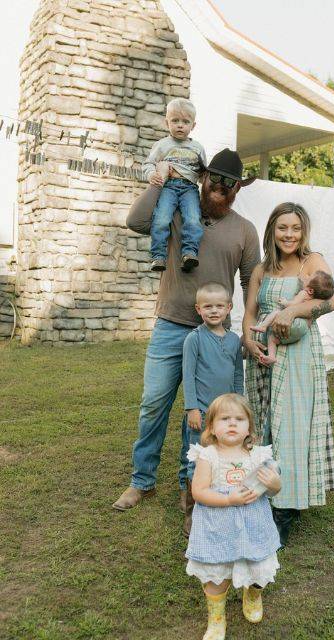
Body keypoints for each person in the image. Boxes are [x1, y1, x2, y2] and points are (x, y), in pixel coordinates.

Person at [112, 149, 259, 512]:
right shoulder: (176, 211)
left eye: (230, 183)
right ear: (203, 177)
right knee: (153, 406)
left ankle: (190, 484)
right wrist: (160, 178)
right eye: (216, 179)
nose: (221, 187)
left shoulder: (244, 229)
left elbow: (251, 282)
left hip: (215, 336)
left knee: (201, 415)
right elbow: (135, 221)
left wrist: (248, 325)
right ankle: (141, 482)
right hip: (171, 327)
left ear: (238, 188)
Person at [243, 202, 334, 547]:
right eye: (283, 228)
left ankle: (286, 509)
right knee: (264, 424)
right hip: (262, 353)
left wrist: (295, 311)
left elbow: (332, 302)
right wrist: (248, 341)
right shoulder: (260, 269)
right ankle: (266, 495)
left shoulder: (311, 261)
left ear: (303, 232)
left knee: (291, 427)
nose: (289, 235)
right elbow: (250, 310)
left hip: (298, 354)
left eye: (295, 229)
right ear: (272, 230)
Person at [186, 393, 281, 640]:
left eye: (239, 419)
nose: (232, 424)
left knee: (260, 568)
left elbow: (272, 490)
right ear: (212, 428)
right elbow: (198, 491)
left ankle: (253, 595)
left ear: (249, 426)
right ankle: (216, 619)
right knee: (217, 572)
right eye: (224, 419)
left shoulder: (258, 456)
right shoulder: (208, 456)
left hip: (254, 526)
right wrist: (228, 499)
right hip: (217, 527)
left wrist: (275, 484)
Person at [181, 282, 244, 536]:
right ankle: (192, 511)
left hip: (226, 414)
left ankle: (217, 502)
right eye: (208, 306)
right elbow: (188, 374)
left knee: (223, 458)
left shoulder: (233, 340)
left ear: (229, 308)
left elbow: (237, 374)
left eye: (220, 306)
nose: (214, 311)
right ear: (199, 309)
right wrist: (191, 408)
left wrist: (239, 406)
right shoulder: (194, 339)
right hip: (203, 412)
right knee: (197, 458)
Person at [142, 97, 207, 273]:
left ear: (193, 125)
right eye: (175, 121)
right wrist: (152, 175)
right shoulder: (162, 144)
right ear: (166, 122)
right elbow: (148, 163)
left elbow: (203, 173)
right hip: (168, 187)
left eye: (185, 122)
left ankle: (189, 253)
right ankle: (158, 256)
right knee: (161, 218)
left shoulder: (198, 148)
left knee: (193, 219)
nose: (180, 125)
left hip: (189, 189)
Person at [250, 270, 334, 365]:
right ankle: (272, 357)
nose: (306, 278)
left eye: (309, 277)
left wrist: (285, 302)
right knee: (275, 339)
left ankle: (264, 327)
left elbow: (293, 304)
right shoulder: (316, 300)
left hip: (294, 322)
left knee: (276, 315)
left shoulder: (304, 293)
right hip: (303, 329)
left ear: (310, 290)